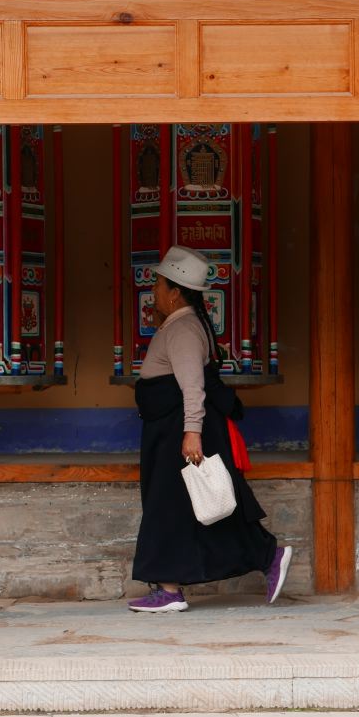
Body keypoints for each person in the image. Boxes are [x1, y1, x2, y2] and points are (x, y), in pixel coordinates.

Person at [126, 245, 293, 613]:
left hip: (179, 432)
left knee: (169, 507)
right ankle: (171, 587)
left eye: (157, 285)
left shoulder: (183, 329)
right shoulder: (183, 324)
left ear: (174, 291)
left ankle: (264, 556)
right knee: (176, 509)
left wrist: (191, 432)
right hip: (170, 430)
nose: (153, 292)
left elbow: (192, 387)